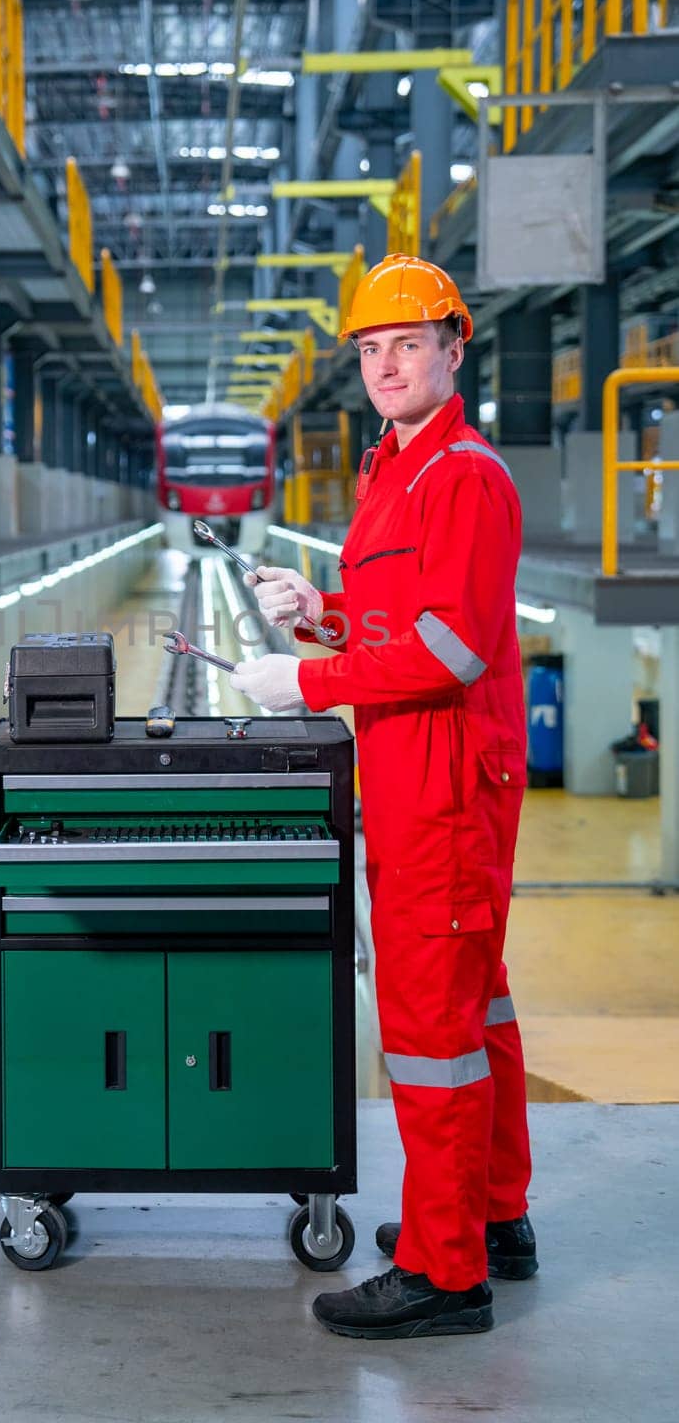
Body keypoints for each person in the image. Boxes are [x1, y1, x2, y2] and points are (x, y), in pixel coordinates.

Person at [230, 253, 535, 1341]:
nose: (386, 363)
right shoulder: (392, 471)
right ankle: (495, 1214)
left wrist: (301, 680)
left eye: (407, 343)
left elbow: (446, 652)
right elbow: (398, 624)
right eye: (369, 348)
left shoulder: (463, 475)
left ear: (454, 349)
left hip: (444, 788)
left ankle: (445, 1272)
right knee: (475, 1007)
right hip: (423, 780)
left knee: (429, 1029)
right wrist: (316, 611)